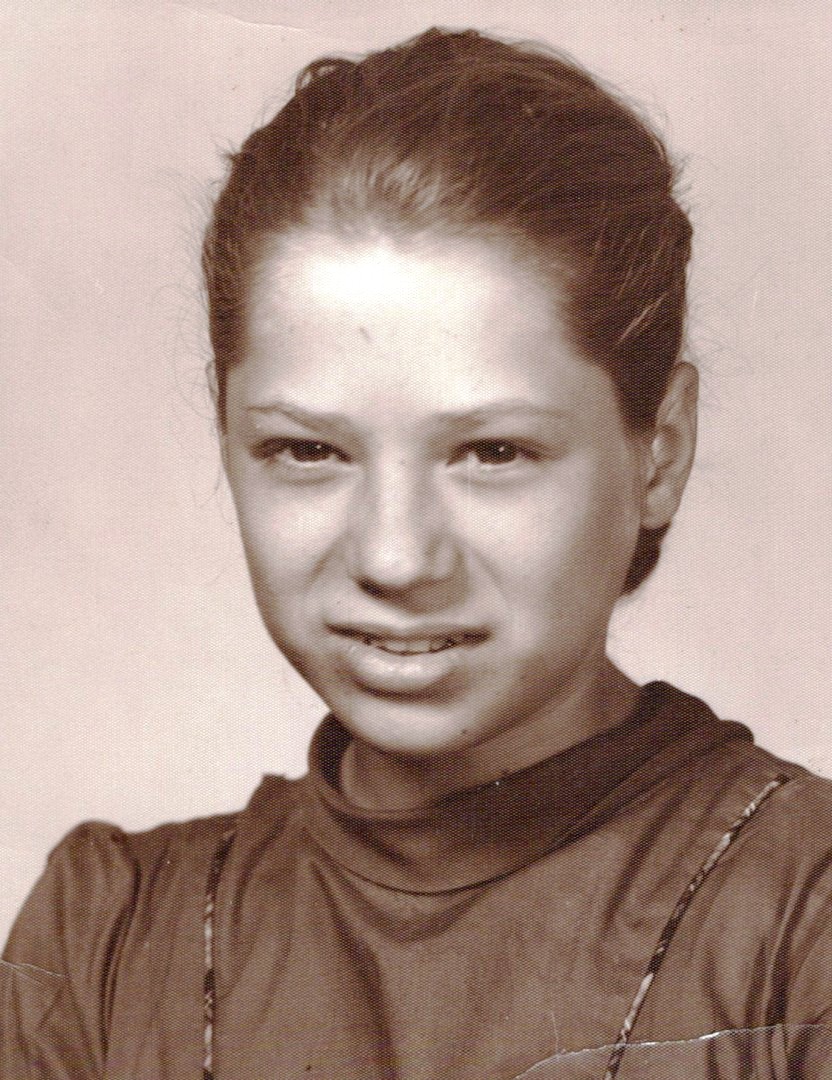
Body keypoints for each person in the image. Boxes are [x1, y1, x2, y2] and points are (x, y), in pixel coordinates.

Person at [2, 27, 830, 1080]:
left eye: (493, 452)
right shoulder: (108, 945)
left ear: (659, 450)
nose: (394, 558)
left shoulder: (801, 923)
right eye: (308, 450)